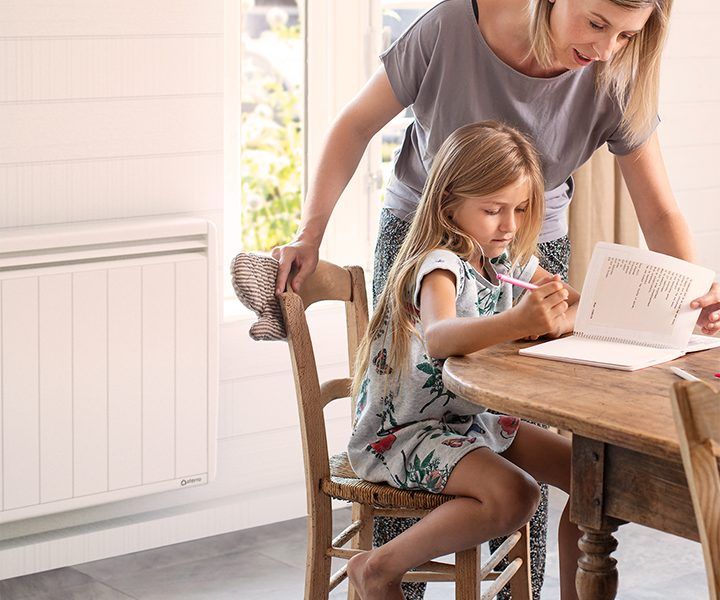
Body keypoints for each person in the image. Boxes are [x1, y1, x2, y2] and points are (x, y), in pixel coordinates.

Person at [273, 1, 720, 597]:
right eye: (595, 24)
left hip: (513, 262)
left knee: (574, 476)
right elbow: (355, 126)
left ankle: (523, 593)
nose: (607, 49)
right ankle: (388, 581)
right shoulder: (450, 28)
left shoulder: (518, 237)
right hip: (425, 244)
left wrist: (692, 294)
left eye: (627, 35)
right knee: (446, 439)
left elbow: (659, 210)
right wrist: (309, 234)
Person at [346, 121, 582, 600]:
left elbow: (570, 300)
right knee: (516, 495)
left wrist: (563, 312)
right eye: (493, 210)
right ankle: (377, 567)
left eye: (519, 209)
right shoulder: (439, 264)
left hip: (471, 422)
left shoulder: (505, 259)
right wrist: (519, 322)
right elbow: (439, 336)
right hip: (407, 434)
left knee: (593, 481)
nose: (510, 225)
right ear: (449, 203)